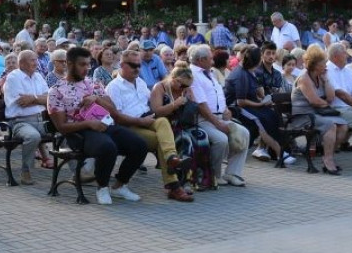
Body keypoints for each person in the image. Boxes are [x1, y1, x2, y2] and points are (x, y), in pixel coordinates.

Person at [47, 46, 148, 205]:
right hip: (78, 133)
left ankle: (119, 185)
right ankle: (102, 187)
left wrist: (96, 98)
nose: (87, 68)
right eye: (82, 64)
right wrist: (89, 123)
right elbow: (61, 127)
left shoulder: (93, 84)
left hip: (103, 125)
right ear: (69, 64)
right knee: (107, 147)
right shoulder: (56, 91)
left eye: (88, 64)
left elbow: (113, 109)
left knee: (140, 145)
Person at [106, 48, 192, 202]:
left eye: (139, 65)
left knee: (163, 122)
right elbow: (117, 118)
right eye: (133, 65)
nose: (137, 69)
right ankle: (174, 185)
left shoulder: (140, 82)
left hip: (148, 119)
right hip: (129, 126)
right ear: (122, 65)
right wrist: (141, 121)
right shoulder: (114, 87)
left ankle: (172, 158)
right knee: (161, 140)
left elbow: (153, 107)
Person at [187, 44, 250, 186]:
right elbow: (201, 104)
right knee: (221, 140)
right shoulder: (193, 75)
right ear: (201, 60)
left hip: (220, 117)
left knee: (244, 133)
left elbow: (217, 94)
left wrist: (226, 109)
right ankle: (214, 175)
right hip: (203, 120)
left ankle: (232, 173)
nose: (213, 61)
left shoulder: (209, 72)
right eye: (210, 58)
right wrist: (218, 123)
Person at [225, 46, 293, 166]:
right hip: (235, 107)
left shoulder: (250, 71)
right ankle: (279, 153)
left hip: (250, 103)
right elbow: (241, 101)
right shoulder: (240, 74)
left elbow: (256, 89)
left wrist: (263, 99)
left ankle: (276, 150)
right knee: (260, 120)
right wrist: (259, 103)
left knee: (272, 115)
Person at [290, 47, 346, 174]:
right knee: (331, 125)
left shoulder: (320, 76)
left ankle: (327, 154)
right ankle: (328, 160)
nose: (326, 65)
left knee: (343, 126)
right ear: (315, 65)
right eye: (323, 63)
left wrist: (326, 80)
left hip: (316, 113)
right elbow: (314, 101)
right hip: (302, 116)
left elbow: (331, 97)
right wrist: (325, 103)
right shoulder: (304, 78)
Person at [3, 49, 53, 185]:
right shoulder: (13, 77)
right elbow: (22, 102)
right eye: (32, 60)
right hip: (20, 122)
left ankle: (78, 172)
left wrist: (33, 98)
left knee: (64, 131)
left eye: (36, 59)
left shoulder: (38, 76)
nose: (36, 63)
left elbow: (50, 98)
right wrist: (39, 99)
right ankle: (26, 171)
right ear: (22, 63)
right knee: (33, 137)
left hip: (40, 120)